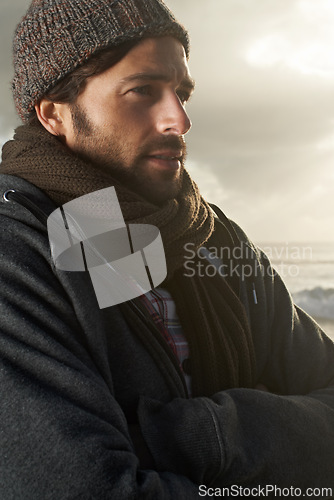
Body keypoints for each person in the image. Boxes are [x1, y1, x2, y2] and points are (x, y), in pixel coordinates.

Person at [0, 0, 334, 498]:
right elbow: (86, 489)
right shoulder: (19, 249)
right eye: (143, 91)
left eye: (181, 92)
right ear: (54, 114)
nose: (178, 119)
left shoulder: (211, 234)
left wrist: (193, 436)